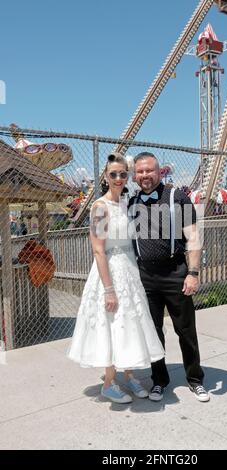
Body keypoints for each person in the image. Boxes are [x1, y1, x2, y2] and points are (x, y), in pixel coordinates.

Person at [68, 152, 164, 404]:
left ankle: (129, 373)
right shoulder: (100, 207)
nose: (119, 178)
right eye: (113, 174)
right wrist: (108, 289)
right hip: (109, 270)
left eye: (123, 173)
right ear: (106, 177)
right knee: (112, 323)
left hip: (130, 269)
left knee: (130, 324)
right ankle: (109, 383)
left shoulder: (127, 203)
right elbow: (98, 249)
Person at [129, 152, 209, 403]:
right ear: (135, 175)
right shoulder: (131, 204)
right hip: (145, 276)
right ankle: (159, 380)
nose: (145, 176)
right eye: (140, 172)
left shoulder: (177, 198)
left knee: (186, 330)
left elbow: (193, 237)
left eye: (149, 171)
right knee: (153, 332)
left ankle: (195, 379)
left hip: (175, 272)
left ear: (159, 171)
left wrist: (193, 273)